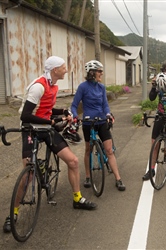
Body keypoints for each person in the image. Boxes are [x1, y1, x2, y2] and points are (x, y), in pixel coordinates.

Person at [3, 56, 97, 233]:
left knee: (73, 162)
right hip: (31, 128)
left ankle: (77, 199)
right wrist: (52, 123)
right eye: (63, 67)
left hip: (46, 127)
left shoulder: (53, 86)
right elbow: (26, 115)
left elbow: (46, 109)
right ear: (55, 70)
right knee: (27, 175)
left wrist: (63, 112)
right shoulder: (39, 86)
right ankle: (13, 214)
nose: (66, 70)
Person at [71, 60, 126, 191]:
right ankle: (88, 177)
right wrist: (75, 117)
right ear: (92, 72)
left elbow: (105, 105)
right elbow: (74, 105)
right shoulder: (83, 87)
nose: (102, 73)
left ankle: (118, 179)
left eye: (101, 71)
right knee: (88, 150)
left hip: (102, 121)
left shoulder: (101, 87)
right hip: (88, 122)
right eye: (99, 71)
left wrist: (108, 114)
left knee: (109, 150)